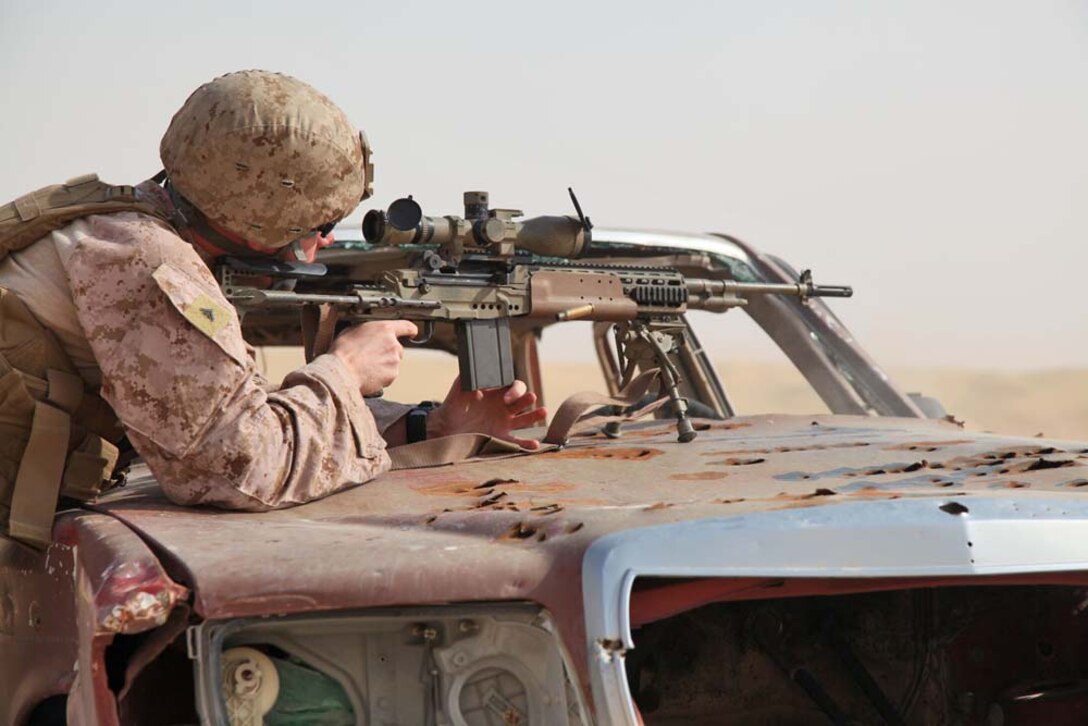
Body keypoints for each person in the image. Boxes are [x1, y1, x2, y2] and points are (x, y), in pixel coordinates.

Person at [0, 70, 545, 547]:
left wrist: (430, 425)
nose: (326, 242)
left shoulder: (132, 228)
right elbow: (234, 469)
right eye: (319, 224)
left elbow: (239, 415)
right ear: (264, 214)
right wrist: (346, 371)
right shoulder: (146, 261)